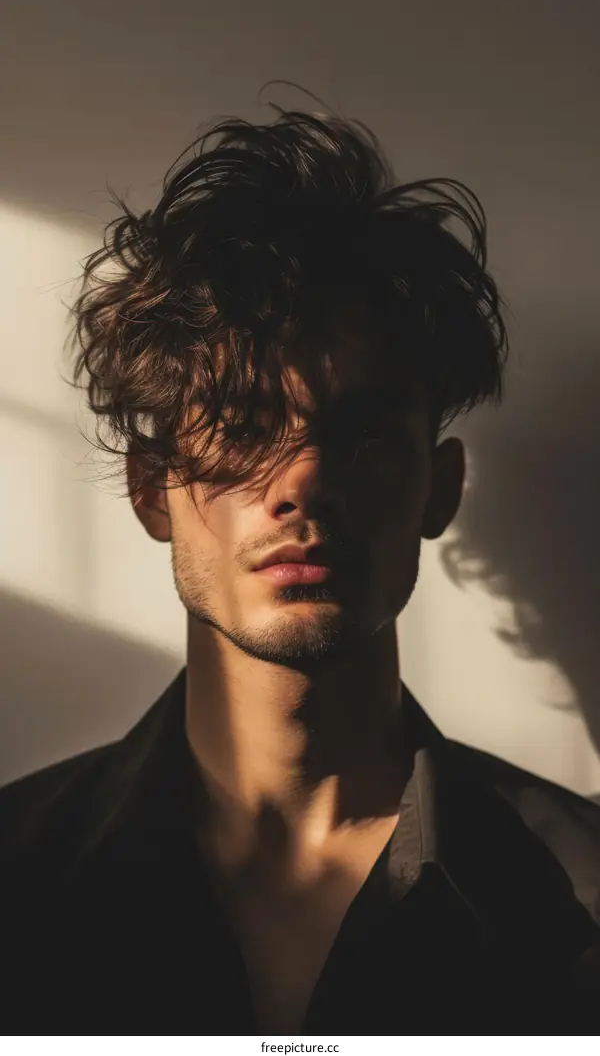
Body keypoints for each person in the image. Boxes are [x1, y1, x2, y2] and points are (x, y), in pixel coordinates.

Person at [2, 101, 600, 1035]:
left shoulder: (582, 900)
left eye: (362, 438)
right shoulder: (18, 882)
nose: (305, 485)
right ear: (155, 491)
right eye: (242, 429)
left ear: (436, 487)